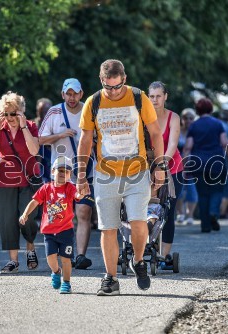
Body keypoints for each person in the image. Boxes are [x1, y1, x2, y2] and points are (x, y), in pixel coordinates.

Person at [77, 59, 165, 296]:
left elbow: (155, 133)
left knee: (138, 222)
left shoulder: (138, 98)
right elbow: (85, 140)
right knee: (108, 228)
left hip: (137, 172)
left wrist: (159, 166)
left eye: (117, 86)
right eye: (109, 87)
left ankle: (138, 261)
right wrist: (80, 176)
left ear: (124, 79)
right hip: (105, 175)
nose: (113, 92)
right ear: (101, 81)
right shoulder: (92, 102)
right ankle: (110, 278)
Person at [38, 78, 94, 270]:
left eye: (75, 93)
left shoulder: (89, 110)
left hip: (85, 169)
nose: (72, 97)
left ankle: (80, 256)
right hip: (61, 171)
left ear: (81, 94)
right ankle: (61, 253)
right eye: (68, 93)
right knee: (62, 213)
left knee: (83, 211)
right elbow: (40, 139)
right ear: (63, 94)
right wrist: (61, 135)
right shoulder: (54, 112)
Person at [0, 91, 40, 274]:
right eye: (6, 114)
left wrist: (24, 127)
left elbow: (34, 150)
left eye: (14, 113)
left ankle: (30, 247)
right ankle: (13, 261)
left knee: (29, 217)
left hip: (28, 179)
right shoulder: (0, 128)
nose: (10, 118)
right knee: (8, 220)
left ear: (21, 112)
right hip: (6, 180)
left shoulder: (31, 126)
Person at [19, 156, 84, 294]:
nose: (62, 174)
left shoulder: (69, 188)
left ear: (69, 175)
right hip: (49, 231)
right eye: (59, 170)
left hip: (66, 230)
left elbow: (77, 195)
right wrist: (25, 214)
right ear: (53, 171)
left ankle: (66, 283)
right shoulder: (46, 188)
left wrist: (81, 193)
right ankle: (56, 271)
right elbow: (34, 202)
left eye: (66, 171)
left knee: (66, 259)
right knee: (50, 258)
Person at [147, 81, 183, 270]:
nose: (155, 100)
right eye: (151, 96)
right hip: (147, 169)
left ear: (165, 97)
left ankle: (164, 254)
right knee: (147, 209)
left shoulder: (173, 117)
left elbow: (172, 144)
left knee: (167, 211)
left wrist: (161, 164)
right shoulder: (143, 117)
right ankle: (146, 247)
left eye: (158, 96)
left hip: (173, 169)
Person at [183, 98, 228, 233]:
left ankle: (205, 225)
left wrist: (185, 164)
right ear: (210, 109)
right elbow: (225, 143)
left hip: (199, 164)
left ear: (197, 110)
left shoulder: (194, 126)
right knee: (217, 190)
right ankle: (213, 213)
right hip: (217, 163)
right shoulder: (218, 124)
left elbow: (188, 147)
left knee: (202, 194)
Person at [176, 108, 198, 225]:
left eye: (191, 118)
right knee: (178, 190)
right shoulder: (177, 131)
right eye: (185, 118)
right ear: (182, 119)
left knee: (192, 190)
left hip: (192, 166)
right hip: (177, 165)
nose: (188, 120)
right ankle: (181, 213)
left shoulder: (197, 132)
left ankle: (190, 215)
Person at [33, 98, 53, 183]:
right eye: (42, 111)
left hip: (50, 163)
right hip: (35, 162)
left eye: (47, 111)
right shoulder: (32, 126)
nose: (44, 114)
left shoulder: (55, 126)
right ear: (38, 112)